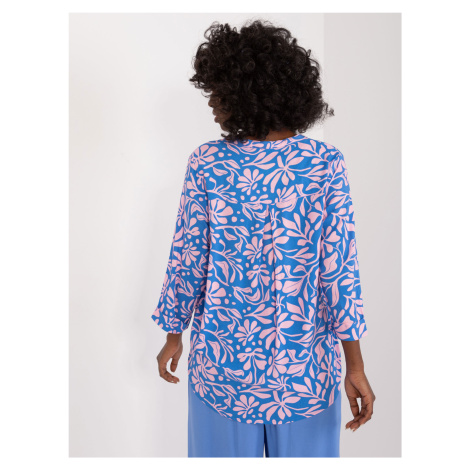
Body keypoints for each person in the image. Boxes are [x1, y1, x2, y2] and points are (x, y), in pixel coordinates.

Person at [151, 19, 376, 458]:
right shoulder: (324, 163)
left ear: (248, 92)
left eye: (218, 90)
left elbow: (188, 258)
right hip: (304, 374)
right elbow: (339, 273)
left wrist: (174, 335)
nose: (212, 102)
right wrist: (355, 365)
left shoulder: (208, 163)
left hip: (223, 368)